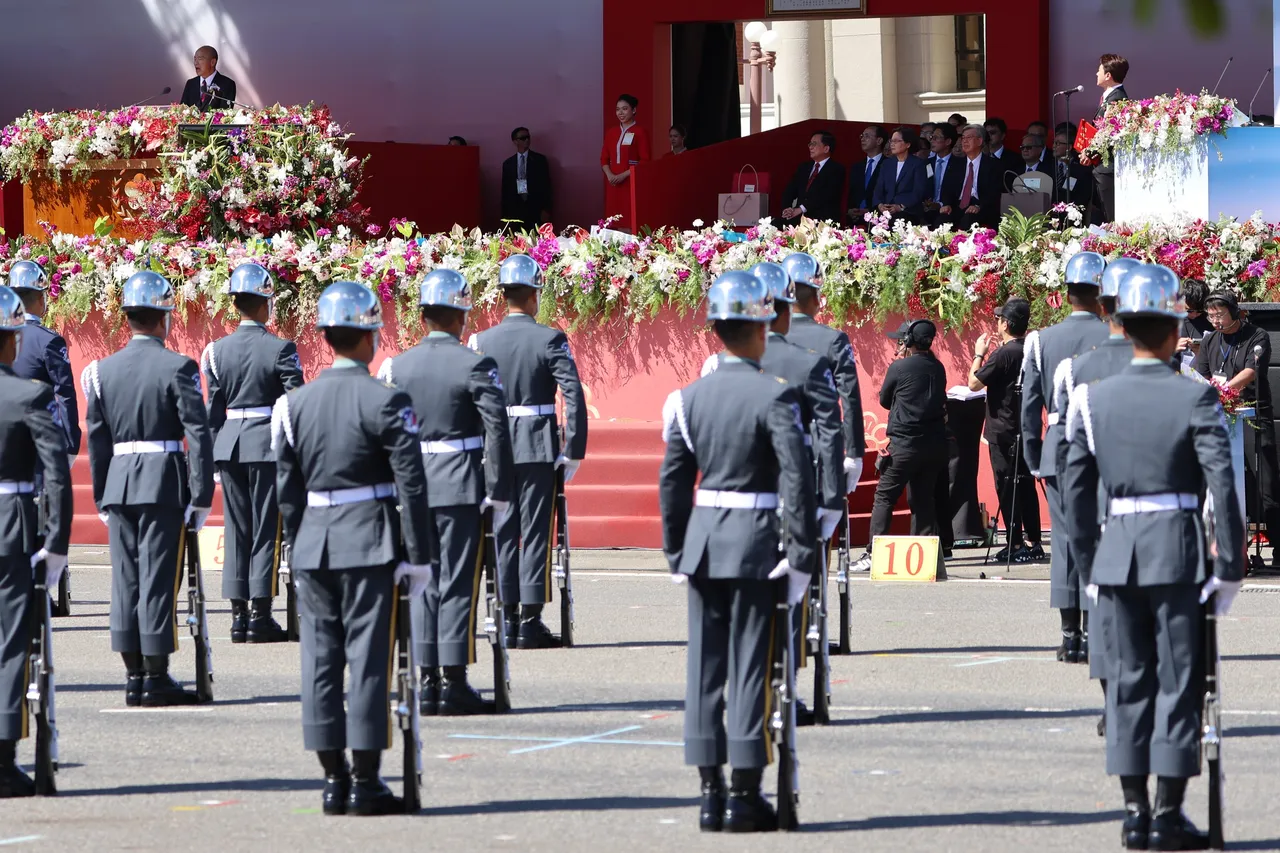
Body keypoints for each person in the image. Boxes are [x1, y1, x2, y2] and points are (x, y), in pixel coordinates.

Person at [1063, 265, 1243, 851]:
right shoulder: (1195, 396)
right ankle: (1167, 813)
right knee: (1179, 682)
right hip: (1179, 553)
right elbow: (1223, 486)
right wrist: (1230, 567)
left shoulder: (1089, 400)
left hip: (1116, 553)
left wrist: (1090, 568)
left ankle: (1133, 813)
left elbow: (1074, 495)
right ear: (1171, 331)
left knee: (1127, 682)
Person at [659, 269, 817, 833]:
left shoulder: (685, 398)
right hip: (756, 544)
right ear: (759, 325)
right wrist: (801, 555)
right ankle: (745, 793)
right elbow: (797, 481)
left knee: (705, 666)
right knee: (751, 665)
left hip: (703, 543)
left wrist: (676, 551)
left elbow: (673, 481)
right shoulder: (776, 397)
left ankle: (709, 792)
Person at [272, 280, 433, 816]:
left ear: (325, 337)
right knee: (367, 661)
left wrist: (298, 544)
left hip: (315, 544)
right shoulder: (387, 401)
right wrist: (419, 555)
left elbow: (287, 489)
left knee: (320, 659)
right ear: (368, 338)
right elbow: (411, 484)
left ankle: (332, 778)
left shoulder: (294, 404)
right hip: (369, 541)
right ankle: (365, 779)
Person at [700, 262, 845, 727]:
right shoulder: (809, 364)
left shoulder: (708, 372)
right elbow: (828, 435)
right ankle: (782, 682)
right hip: (787, 501)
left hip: (719, 514)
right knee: (790, 599)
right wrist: (830, 499)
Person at [377, 269, 515, 715]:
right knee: (456, 580)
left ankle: (426, 676)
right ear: (460, 317)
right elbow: (497, 430)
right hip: (459, 482)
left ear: (422, 317)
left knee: (422, 580)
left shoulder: (398, 365)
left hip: (413, 483)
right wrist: (499, 487)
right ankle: (451, 679)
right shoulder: (476, 364)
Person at [81, 271, 215, 706]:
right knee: (158, 578)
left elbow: (97, 437)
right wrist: (200, 496)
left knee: (127, 579)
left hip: (119, 482)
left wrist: (102, 493)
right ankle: (155, 674)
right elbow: (198, 433)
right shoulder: (179, 366)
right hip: (162, 481)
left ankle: (133, 672)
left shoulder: (101, 370)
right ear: (164, 319)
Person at [471, 255, 587, 648]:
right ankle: (529, 620)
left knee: (504, 531)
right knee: (536, 531)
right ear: (535, 295)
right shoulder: (550, 338)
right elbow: (572, 395)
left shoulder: (481, 341)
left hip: (496, 444)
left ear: (504, 296)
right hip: (536, 443)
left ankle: (505, 616)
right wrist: (574, 448)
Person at [1057, 255, 1142, 735]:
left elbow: (1076, 474)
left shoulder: (1076, 373)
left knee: (1109, 620)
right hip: (1172, 531)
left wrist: (1083, 549)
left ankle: (1116, 710)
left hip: (1105, 519)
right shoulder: (1187, 384)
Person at [200, 263, 304, 644]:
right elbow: (295, 404)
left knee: (237, 528)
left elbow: (212, 410)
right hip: (266, 444)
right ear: (264, 304)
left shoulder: (216, 350)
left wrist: (213, 456)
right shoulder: (280, 348)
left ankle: (237, 614)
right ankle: (260, 613)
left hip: (229, 444)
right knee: (265, 529)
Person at [1020, 252, 1110, 663]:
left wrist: (1035, 456)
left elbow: (1029, 405)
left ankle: (1069, 634)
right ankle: (1093, 630)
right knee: (1102, 535)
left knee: (1065, 541)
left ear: (1066, 295)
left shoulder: (1041, 339)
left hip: (1059, 447)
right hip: (1105, 442)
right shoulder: (1114, 338)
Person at [0, 284, 72, 799]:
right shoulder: (29, 395)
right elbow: (58, 475)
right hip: (12, 526)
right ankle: (3, 759)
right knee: (9, 645)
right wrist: (58, 545)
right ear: (13, 343)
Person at [851, 319, 950, 578]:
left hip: (905, 444)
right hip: (934, 445)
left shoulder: (899, 366)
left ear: (908, 341)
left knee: (884, 497)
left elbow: (884, 400)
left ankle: (873, 554)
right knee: (923, 499)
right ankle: (926, 556)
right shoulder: (938, 368)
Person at [1195, 289, 1280, 571]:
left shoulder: (1257, 337)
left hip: (1253, 416)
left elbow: (1250, 371)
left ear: (1234, 311)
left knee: (1266, 486)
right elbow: (1200, 374)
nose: (1215, 319)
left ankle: (1278, 546)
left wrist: (1223, 389)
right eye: (1211, 314)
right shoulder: (1209, 341)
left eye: (1220, 313)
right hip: (1219, 420)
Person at [967, 297, 1044, 563]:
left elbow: (974, 384)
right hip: (1026, 426)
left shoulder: (1004, 353)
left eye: (1000, 319)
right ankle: (1034, 541)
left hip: (1002, 429)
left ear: (1006, 324)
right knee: (1026, 485)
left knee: (1006, 486)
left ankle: (1014, 543)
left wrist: (979, 353)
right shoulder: (1032, 350)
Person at [782, 253, 867, 492]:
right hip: (817, 447)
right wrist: (854, 453)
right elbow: (849, 396)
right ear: (817, 299)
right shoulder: (833, 340)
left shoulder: (764, 340)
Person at [7, 261, 78, 457]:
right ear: (41, 297)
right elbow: (64, 394)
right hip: (34, 445)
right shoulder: (49, 340)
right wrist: (70, 443)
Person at [600, 94, 651, 232]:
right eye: (618, 109)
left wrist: (624, 175)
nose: (620, 113)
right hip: (613, 183)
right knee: (613, 222)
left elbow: (645, 160)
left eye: (624, 109)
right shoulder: (612, 132)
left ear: (633, 110)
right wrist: (610, 174)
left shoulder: (640, 132)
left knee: (629, 221)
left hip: (630, 182)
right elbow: (604, 158)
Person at [939, 124, 1002, 230]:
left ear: (979, 141)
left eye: (969, 137)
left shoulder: (993, 165)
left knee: (968, 219)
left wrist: (979, 206)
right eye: (963, 138)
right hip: (957, 205)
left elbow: (994, 193)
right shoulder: (956, 164)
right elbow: (947, 188)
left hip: (981, 207)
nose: (964, 141)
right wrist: (947, 204)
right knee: (942, 220)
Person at [780, 130, 846, 226]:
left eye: (814, 144)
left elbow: (825, 195)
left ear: (826, 148)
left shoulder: (836, 169)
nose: (810, 147)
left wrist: (801, 209)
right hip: (799, 219)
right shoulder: (804, 167)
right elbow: (790, 190)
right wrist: (787, 209)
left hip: (822, 221)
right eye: (810, 144)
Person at [1093, 53, 1130, 223]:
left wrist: (1089, 151)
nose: (1096, 74)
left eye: (1099, 70)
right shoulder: (1109, 97)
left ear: (1108, 75)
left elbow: (1107, 131)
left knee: (1110, 215)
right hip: (1101, 164)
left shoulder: (1117, 99)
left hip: (1108, 166)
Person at [501, 127, 553, 232]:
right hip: (515, 208)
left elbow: (546, 186)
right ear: (515, 141)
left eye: (528, 137)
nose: (527, 140)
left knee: (536, 238)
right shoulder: (508, 163)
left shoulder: (539, 160)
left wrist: (546, 209)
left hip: (535, 207)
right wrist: (505, 215)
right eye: (523, 138)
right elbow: (505, 190)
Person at [872, 126, 929, 223]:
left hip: (908, 211)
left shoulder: (918, 164)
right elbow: (878, 188)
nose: (892, 144)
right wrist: (880, 205)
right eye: (891, 141)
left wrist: (901, 206)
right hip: (886, 209)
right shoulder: (887, 164)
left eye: (896, 141)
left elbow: (918, 192)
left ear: (907, 144)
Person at [846, 125, 887, 225]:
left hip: (879, 221)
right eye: (862, 136)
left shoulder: (888, 165)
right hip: (856, 221)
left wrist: (871, 211)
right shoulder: (857, 166)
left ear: (879, 141)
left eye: (867, 136)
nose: (863, 139)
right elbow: (852, 192)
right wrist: (850, 210)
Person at [924, 124, 961, 226]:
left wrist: (940, 204)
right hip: (927, 208)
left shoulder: (960, 165)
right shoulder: (926, 163)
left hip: (948, 209)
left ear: (948, 141)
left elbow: (958, 192)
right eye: (932, 137)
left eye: (936, 138)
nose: (932, 140)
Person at [180, 45, 237, 110]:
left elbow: (225, 113)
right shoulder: (191, 83)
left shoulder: (227, 84)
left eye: (200, 59)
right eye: (195, 59)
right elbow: (182, 110)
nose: (196, 63)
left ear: (212, 62)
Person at [1175, 278, 1213, 371]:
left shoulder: (1211, 321)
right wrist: (1172, 349)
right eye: (1189, 310)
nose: (1194, 315)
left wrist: (1202, 353)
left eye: (1200, 311)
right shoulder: (1171, 319)